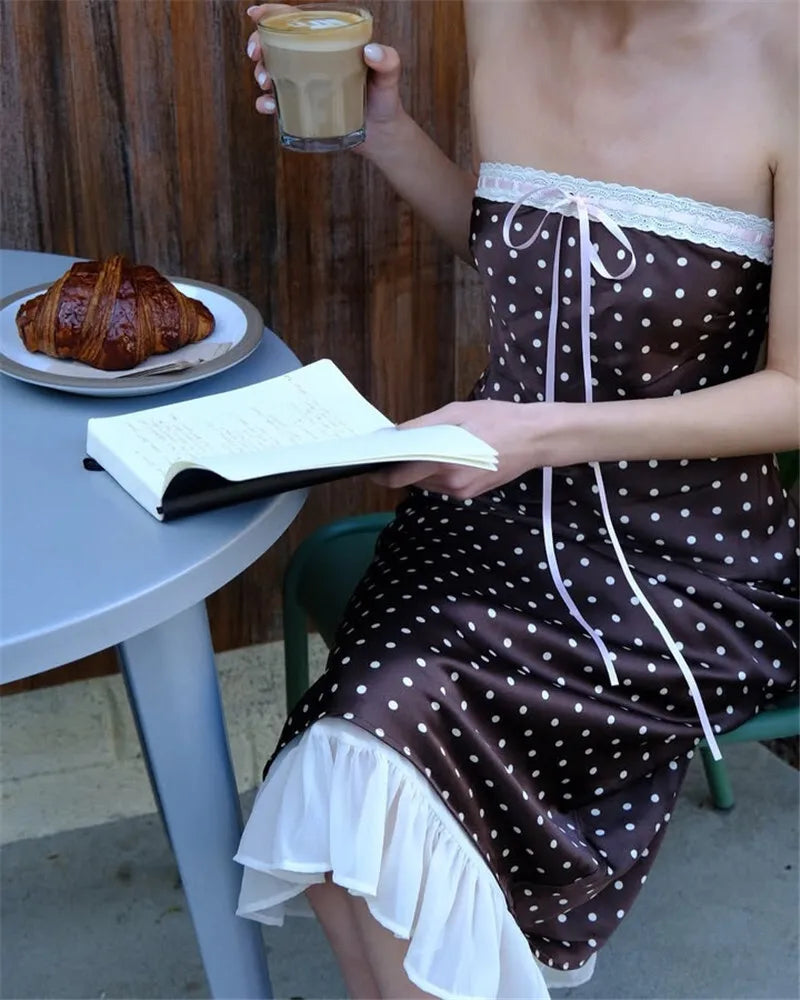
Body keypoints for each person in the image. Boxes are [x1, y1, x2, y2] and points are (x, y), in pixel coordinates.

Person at [236, 2, 799, 998]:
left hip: (685, 562)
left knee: (380, 779)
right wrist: (386, 135)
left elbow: (793, 391)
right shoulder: (499, 10)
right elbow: (514, 246)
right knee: (342, 799)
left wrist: (538, 434)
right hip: (488, 524)